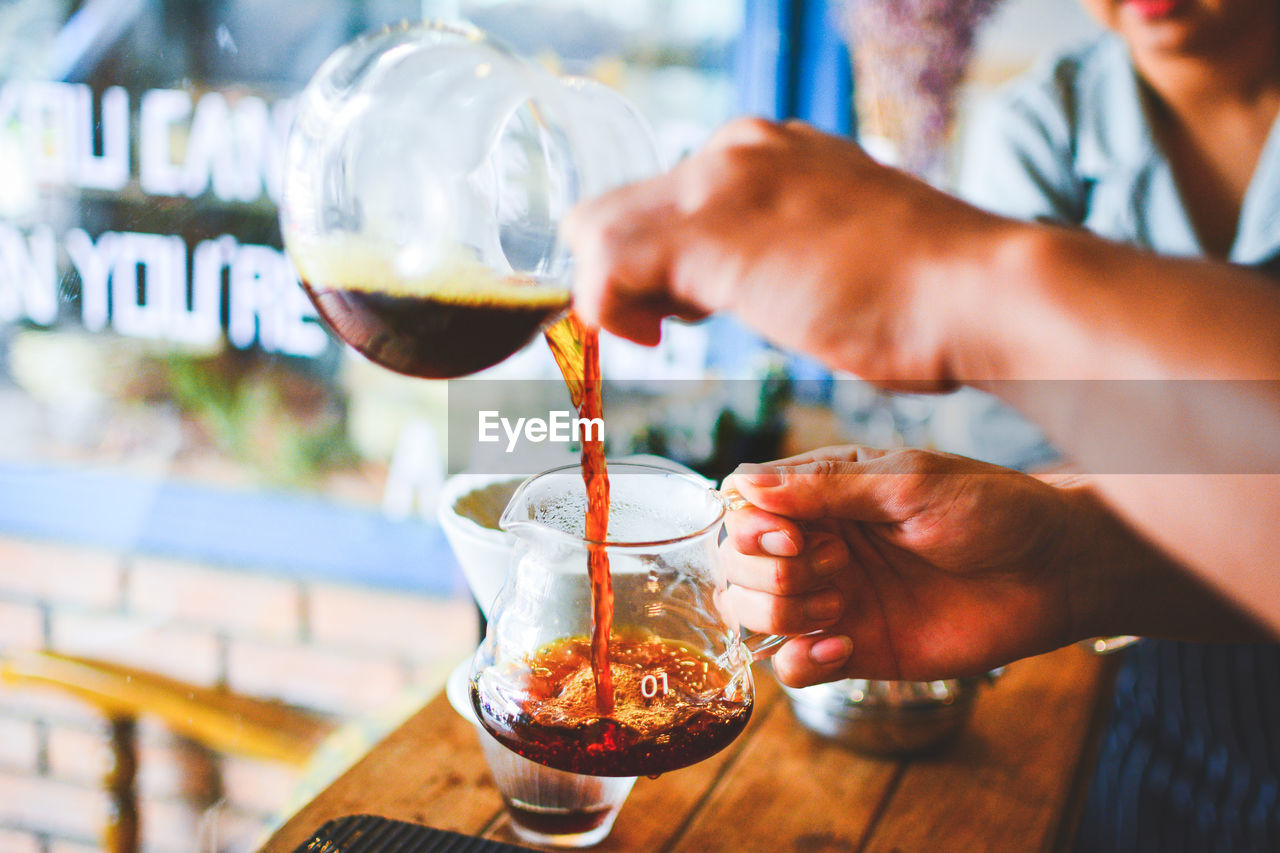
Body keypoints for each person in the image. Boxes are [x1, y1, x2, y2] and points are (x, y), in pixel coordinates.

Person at [566, 1, 1280, 847]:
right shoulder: (1048, 118)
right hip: (1158, 710)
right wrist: (1065, 559)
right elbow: (1025, 454)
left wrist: (954, 278)